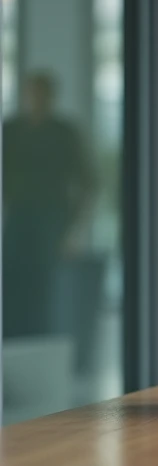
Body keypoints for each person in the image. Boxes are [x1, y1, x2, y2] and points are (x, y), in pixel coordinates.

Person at [2, 72, 95, 339]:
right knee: (11, 282)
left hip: (51, 218)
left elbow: (87, 183)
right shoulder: (11, 131)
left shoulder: (63, 133)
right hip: (18, 216)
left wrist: (73, 232)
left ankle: (42, 345)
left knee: (44, 288)